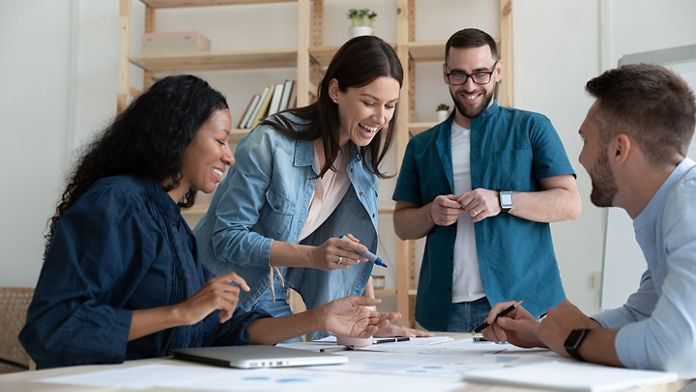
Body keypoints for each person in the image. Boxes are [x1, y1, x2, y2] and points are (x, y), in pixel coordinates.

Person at [19, 75, 397, 369]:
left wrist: (322, 318)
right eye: (219, 141)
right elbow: (52, 327)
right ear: (178, 137)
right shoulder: (115, 203)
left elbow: (216, 328)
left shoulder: (171, 221)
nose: (229, 157)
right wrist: (182, 312)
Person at [193, 36, 429, 338]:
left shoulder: (359, 156)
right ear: (335, 91)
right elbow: (226, 238)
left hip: (270, 292)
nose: (380, 118)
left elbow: (358, 251)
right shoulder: (269, 145)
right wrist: (312, 255)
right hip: (212, 289)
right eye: (369, 102)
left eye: (390, 106)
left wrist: (371, 321)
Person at [482, 64, 696, 376]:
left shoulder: (689, 201)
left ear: (619, 149)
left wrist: (574, 338)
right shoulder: (669, 208)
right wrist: (543, 332)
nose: (580, 158)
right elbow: (643, 312)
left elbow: (674, 347)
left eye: (586, 140)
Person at [392, 28, 582, 332]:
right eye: (459, 75)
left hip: (523, 304)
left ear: (498, 71)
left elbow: (570, 204)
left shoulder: (533, 127)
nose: (470, 86)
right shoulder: (421, 145)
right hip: (443, 311)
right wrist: (431, 213)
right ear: (445, 74)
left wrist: (501, 200)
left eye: (481, 74)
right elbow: (402, 225)